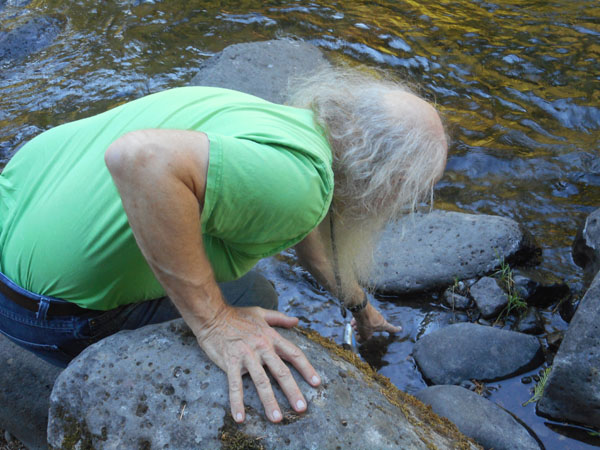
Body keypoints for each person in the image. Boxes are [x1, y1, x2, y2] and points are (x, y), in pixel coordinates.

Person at [0, 67, 447, 424]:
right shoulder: (300, 186)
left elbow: (311, 242)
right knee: (253, 298)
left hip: (14, 234)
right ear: (386, 182)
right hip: (37, 313)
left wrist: (359, 304)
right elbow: (140, 159)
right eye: (411, 192)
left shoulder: (289, 127)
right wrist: (214, 322)